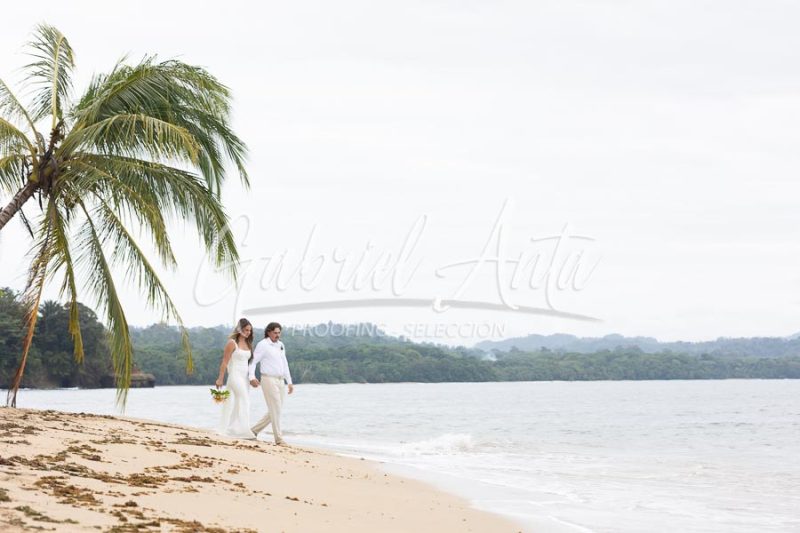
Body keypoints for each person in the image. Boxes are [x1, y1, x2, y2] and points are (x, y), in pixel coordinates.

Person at [248, 322, 294, 445]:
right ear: (269, 332)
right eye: (275, 333)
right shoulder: (263, 345)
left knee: (275, 409)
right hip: (268, 379)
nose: (277, 335)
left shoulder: (281, 345)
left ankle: (253, 431)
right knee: (276, 408)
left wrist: (289, 381)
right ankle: (278, 439)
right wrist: (251, 376)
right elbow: (253, 361)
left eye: (279, 333)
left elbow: (285, 363)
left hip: (280, 380)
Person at [216, 318, 256, 439]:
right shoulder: (231, 343)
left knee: (240, 402)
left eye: (250, 330)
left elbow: (249, 364)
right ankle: (244, 431)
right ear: (239, 330)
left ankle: (233, 429)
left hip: (244, 378)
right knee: (244, 400)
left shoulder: (248, 344)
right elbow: (224, 362)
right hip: (234, 376)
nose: (248, 332)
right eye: (246, 330)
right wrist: (220, 379)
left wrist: (251, 378)